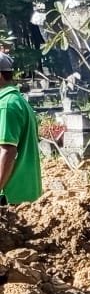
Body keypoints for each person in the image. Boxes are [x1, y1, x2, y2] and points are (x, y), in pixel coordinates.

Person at [0, 53, 43, 205]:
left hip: (9, 196)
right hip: (24, 192)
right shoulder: (17, 100)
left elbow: (8, 151)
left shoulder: (6, 105)